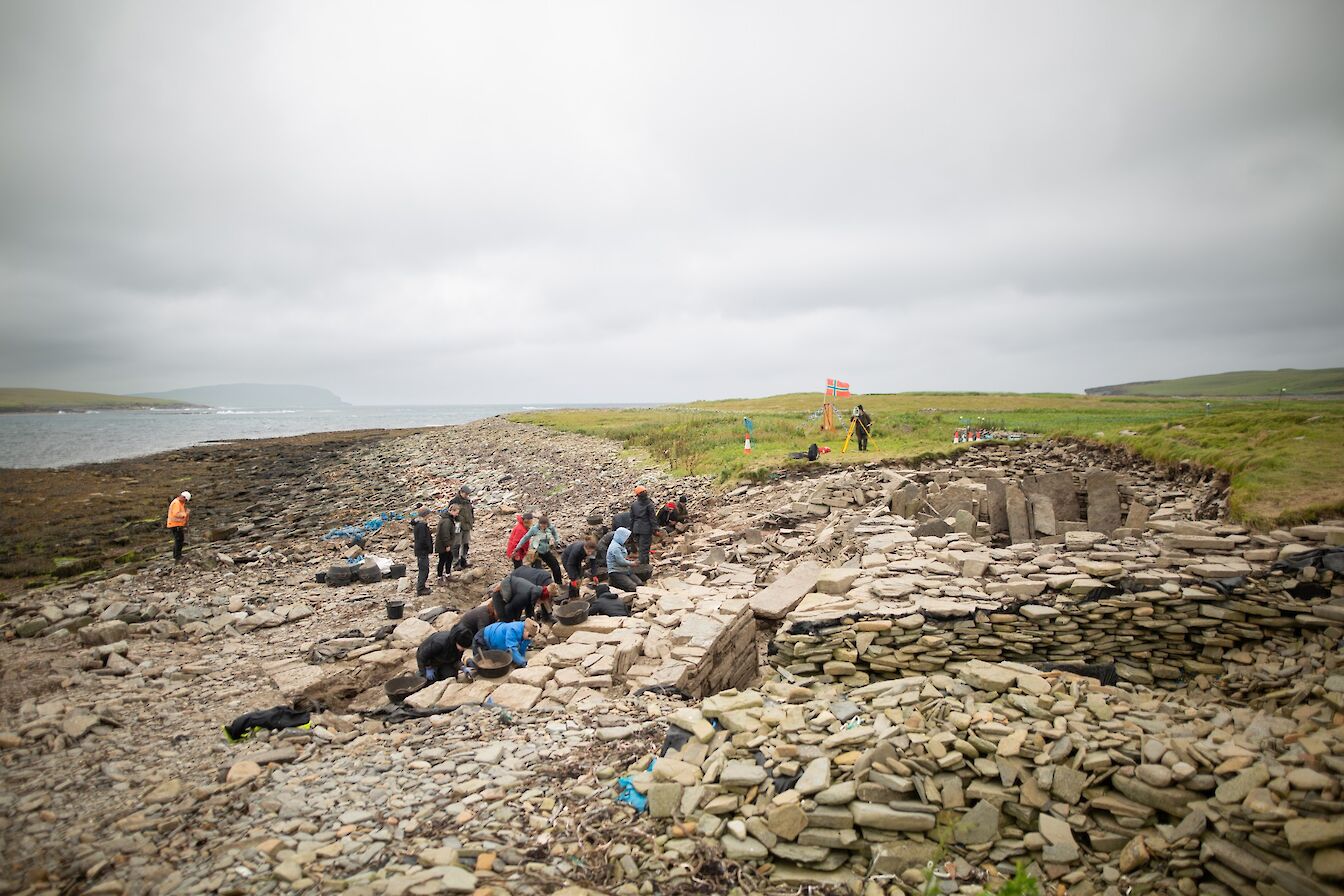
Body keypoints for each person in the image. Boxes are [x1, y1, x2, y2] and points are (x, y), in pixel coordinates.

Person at [474, 618, 539, 668]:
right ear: (525, 629)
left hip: (494, 642)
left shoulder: (527, 636)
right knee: (481, 665)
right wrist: (523, 663)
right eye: (529, 636)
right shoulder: (513, 629)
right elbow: (512, 649)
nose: (530, 638)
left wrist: (522, 659)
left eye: (532, 637)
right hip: (482, 639)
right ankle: (467, 661)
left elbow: (522, 648)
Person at [521, 513, 563, 586]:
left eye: (545, 525)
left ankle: (558, 583)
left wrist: (557, 541)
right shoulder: (534, 529)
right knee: (538, 570)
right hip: (536, 552)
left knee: (555, 565)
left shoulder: (550, 528)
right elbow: (525, 538)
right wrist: (518, 547)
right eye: (541, 525)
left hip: (546, 551)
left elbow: (555, 534)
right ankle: (539, 587)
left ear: (547, 524)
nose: (543, 527)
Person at [605, 527, 642, 593]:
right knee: (632, 587)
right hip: (616, 572)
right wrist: (632, 563)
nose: (627, 540)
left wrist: (628, 559)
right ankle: (614, 583)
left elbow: (623, 557)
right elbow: (620, 561)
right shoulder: (615, 547)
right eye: (626, 538)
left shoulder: (620, 544)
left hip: (625, 570)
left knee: (639, 584)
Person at [561, 536, 599, 600]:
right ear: (584, 548)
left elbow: (593, 563)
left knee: (580, 575)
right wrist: (572, 579)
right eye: (588, 551)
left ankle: (576, 594)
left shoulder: (593, 551)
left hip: (578, 559)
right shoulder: (577, 550)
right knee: (575, 577)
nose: (590, 553)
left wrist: (594, 575)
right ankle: (572, 597)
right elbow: (570, 564)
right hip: (567, 558)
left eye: (591, 552)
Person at [449, 485, 475, 569]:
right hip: (458, 526)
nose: (467, 495)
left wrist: (472, 521)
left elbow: (471, 512)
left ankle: (464, 561)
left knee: (466, 544)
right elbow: (450, 513)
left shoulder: (468, 501)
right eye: (466, 494)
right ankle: (456, 563)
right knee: (457, 544)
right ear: (461, 492)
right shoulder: (454, 501)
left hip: (467, 525)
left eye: (468, 494)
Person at [629, 486, 656, 567]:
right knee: (644, 550)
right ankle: (643, 567)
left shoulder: (634, 505)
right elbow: (652, 517)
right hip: (646, 529)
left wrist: (631, 530)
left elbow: (632, 519)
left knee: (641, 548)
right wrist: (655, 528)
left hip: (636, 529)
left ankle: (644, 565)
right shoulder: (649, 504)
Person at [412, 508, 434, 595]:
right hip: (422, 551)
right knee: (424, 569)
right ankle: (420, 589)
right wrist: (427, 547)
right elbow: (422, 539)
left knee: (424, 569)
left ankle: (422, 587)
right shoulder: (421, 525)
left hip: (421, 550)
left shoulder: (420, 524)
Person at [436, 504, 459, 581]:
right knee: (442, 560)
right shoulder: (447, 521)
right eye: (456, 513)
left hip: (447, 544)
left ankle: (448, 574)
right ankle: (439, 577)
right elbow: (445, 534)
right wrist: (447, 545)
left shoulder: (448, 519)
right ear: (452, 511)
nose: (457, 514)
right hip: (443, 545)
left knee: (449, 558)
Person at [166, 490, 191, 562]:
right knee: (178, 540)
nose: (185, 502)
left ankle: (177, 555)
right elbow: (176, 514)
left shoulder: (179, 503)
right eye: (185, 500)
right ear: (183, 497)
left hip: (177, 525)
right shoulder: (176, 503)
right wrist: (185, 514)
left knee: (179, 540)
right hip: (174, 525)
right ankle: (177, 556)